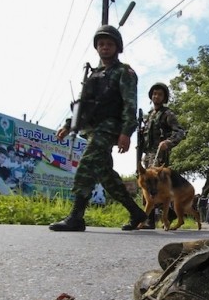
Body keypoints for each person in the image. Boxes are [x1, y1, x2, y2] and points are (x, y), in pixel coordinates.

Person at [49, 25, 146, 232]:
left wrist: (126, 132)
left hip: (110, 127)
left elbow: (130, 103)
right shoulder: (94, 76)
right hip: (93, 127)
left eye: (110, 44)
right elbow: (84, 106)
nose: (105, 47)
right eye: (101, 44)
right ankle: (136, 212)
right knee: (105, 174)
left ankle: (76, 216)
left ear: (117, 48)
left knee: (88, 162)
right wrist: (68, 125)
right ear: (96, 48)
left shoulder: (124, 72)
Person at [138, 82, 186, 229]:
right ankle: (166, 215)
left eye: (159, 94)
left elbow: (180, 132)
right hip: (147, 156)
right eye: (154, 94)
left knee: (155, 187)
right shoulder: (149, 116)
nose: (156, 96)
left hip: (160, 155)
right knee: (146, 186)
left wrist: (168, 142)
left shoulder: (168, 114)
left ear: (164, 97)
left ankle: (150, 221)